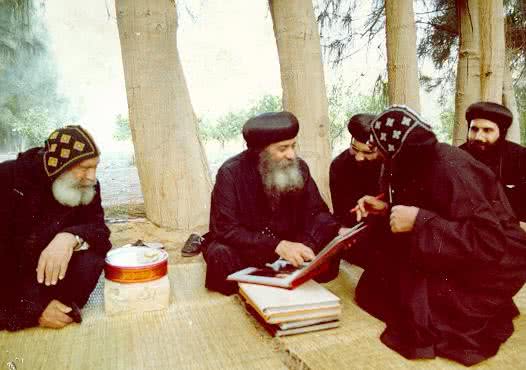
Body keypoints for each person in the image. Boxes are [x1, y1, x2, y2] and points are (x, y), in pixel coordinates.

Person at [353, 105, 526, 366]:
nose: (374, 155)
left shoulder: (450, 167)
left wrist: (419, 221)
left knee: (422, 320)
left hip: (499, 260)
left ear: (397, 147)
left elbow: (488, 239)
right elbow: (439, 207)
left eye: (378, 148)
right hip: (457, 247)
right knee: (373, 287)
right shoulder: (417, 161)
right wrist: (386, 209)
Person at [203, 111, 341, 295]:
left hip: (293, 245)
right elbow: (225, 228)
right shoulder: (230, 173)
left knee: (331, 237)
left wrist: (308, 244)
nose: (292, 155)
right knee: (219, 254)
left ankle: (294, 273)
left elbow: (318, 213)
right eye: (283, 149)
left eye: (293, 146)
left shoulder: (299, 167)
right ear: (260, 151)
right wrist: (276, 245)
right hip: (251, 249)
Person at [0, 125, 111, 331]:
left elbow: (100, 230)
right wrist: (34, 308)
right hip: (11, 283)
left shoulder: (88, 185)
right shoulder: (8, 179)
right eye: (85, 168)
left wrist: (71, 237)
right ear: (60, 165)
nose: (92, 177)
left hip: (51, 276)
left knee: (92, 258)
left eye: (95, 167)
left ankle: (57, 308)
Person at [460, 101, 526, 226]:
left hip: (514, 231)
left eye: (487, 130)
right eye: (474, 129)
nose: (478, 136)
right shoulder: (456, 157)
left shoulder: (520, 157)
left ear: (501, 132)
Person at [329, 113, 380, 228]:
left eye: (367, 152)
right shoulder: (339, 165)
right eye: (355, 149)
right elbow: (341, 213)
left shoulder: (390, 164)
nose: (359, 157)